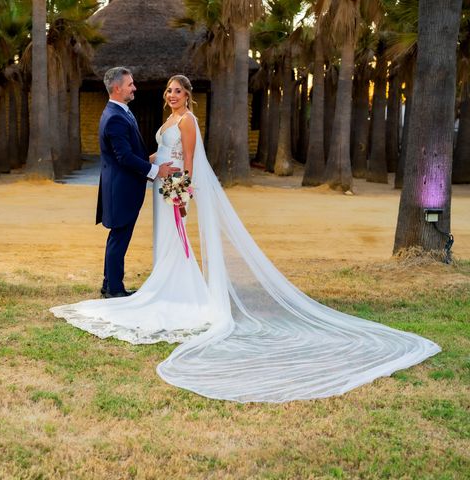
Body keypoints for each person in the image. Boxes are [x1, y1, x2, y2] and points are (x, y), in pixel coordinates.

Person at [51, 75, 441, 403]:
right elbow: (157, 153)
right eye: (168, 90)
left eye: (177, 91)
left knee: (176, 242)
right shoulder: (166, 121)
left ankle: (179, 293)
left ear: (188, 96)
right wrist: (154, 165)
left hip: (172, 190)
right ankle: (160, 285)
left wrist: (182, 191)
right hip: (160, 186)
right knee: (162, 244)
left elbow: (188, 161)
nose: (170, 95)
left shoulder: (187, 122)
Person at [95, 67, 179, 298]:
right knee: (119, 238)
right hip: (121, 189)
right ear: (117, 88)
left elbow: (130, 152)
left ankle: (109, 284)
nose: (134, 88)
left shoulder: (122, 112)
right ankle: (113, 289)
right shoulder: (114, 118)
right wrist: (156, 170)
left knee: (118, 238)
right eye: (130, 84)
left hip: (123, 187)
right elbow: (124, 157)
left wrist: (153, 158)